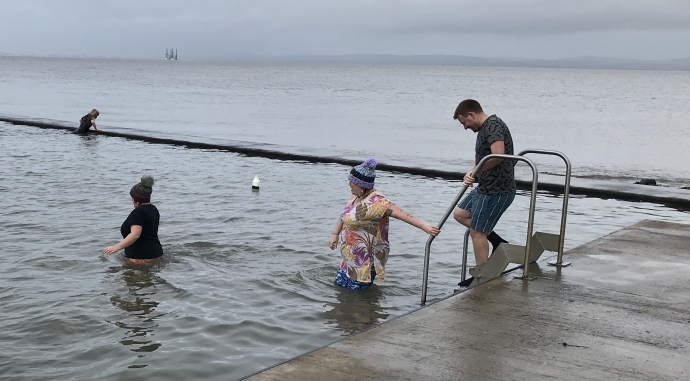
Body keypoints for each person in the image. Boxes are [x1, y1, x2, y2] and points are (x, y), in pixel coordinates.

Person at [329, 158, 440, 290]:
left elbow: (402, 214)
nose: (349, 184)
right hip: (348, 260)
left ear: (362, 185)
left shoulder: (379, 203)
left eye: (352, 181)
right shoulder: (356, 196)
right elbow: (344, 216)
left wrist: (423, 226)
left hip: (363, 263)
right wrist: (335, 234)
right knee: (340, 295)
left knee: (358, 302)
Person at [452, 99, 516, 269]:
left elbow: (498, 154)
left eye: (464, 122)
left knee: (477, 232)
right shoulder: (485, 128)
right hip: (485, 187)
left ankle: (482, 276)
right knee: (460, 213)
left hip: (496, 190)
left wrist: (475, 171)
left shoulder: (493, 125)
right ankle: (498, 242)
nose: (465, 127)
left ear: (471, 115)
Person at [104, 175, 164, 264]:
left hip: (139, 258)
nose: (131, 199)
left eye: (132, 197)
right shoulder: (153, 209)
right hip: (156, 253)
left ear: (136, 200)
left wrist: (116, 247)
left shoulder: (137, 213)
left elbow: (135, 234)